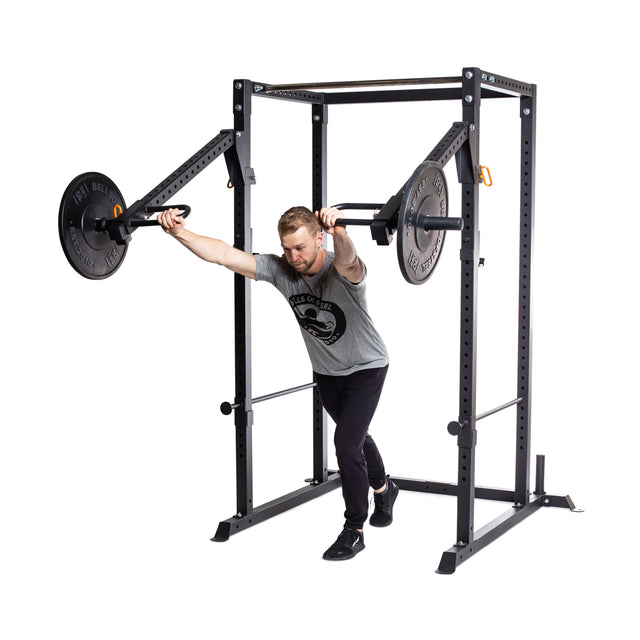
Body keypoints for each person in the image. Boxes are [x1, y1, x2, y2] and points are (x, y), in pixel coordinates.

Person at [157, 205, 399, 560]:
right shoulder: (282, 269)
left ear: (319, 238)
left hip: (367, 367)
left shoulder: (340, 266)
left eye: (300, 247)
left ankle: (354, 529)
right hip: (327, 373)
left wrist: (342, 233)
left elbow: (351, 262)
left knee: (346, 443)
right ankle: (384, 488)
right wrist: (178, 232)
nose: (293, 256)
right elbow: (224, 255)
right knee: (355, 437)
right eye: (287, 248)